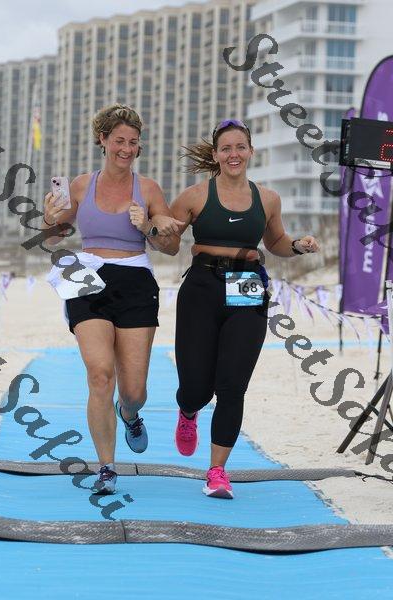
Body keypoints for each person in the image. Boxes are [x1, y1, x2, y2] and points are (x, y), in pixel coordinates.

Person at [154, 119, 319, 499]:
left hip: (247, 283)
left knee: (232, 385)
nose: (234, 154)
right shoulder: (195, 196)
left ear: (250, 151)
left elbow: (275, 241)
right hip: (202, 285)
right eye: (226, 148)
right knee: (196, 387)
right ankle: (188, 410)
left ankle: (217, 471)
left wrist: (297, 246)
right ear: (215, 155)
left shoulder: (268, 199)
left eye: (240, 147)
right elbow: (169, 245)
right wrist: (157, 230)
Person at [42, 104, 180, 494]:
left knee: (134, 391)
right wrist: (49, 218)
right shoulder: (81, 185)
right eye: (119, 140)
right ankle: (106, 467)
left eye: (133, 142)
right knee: (100, 375)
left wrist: (149, 226)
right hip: (88, 278)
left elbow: (171, 246)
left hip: (136, 281)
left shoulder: (148, 189)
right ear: (102, 140)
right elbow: (54, 236)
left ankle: (129, 415)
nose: (126, 149)